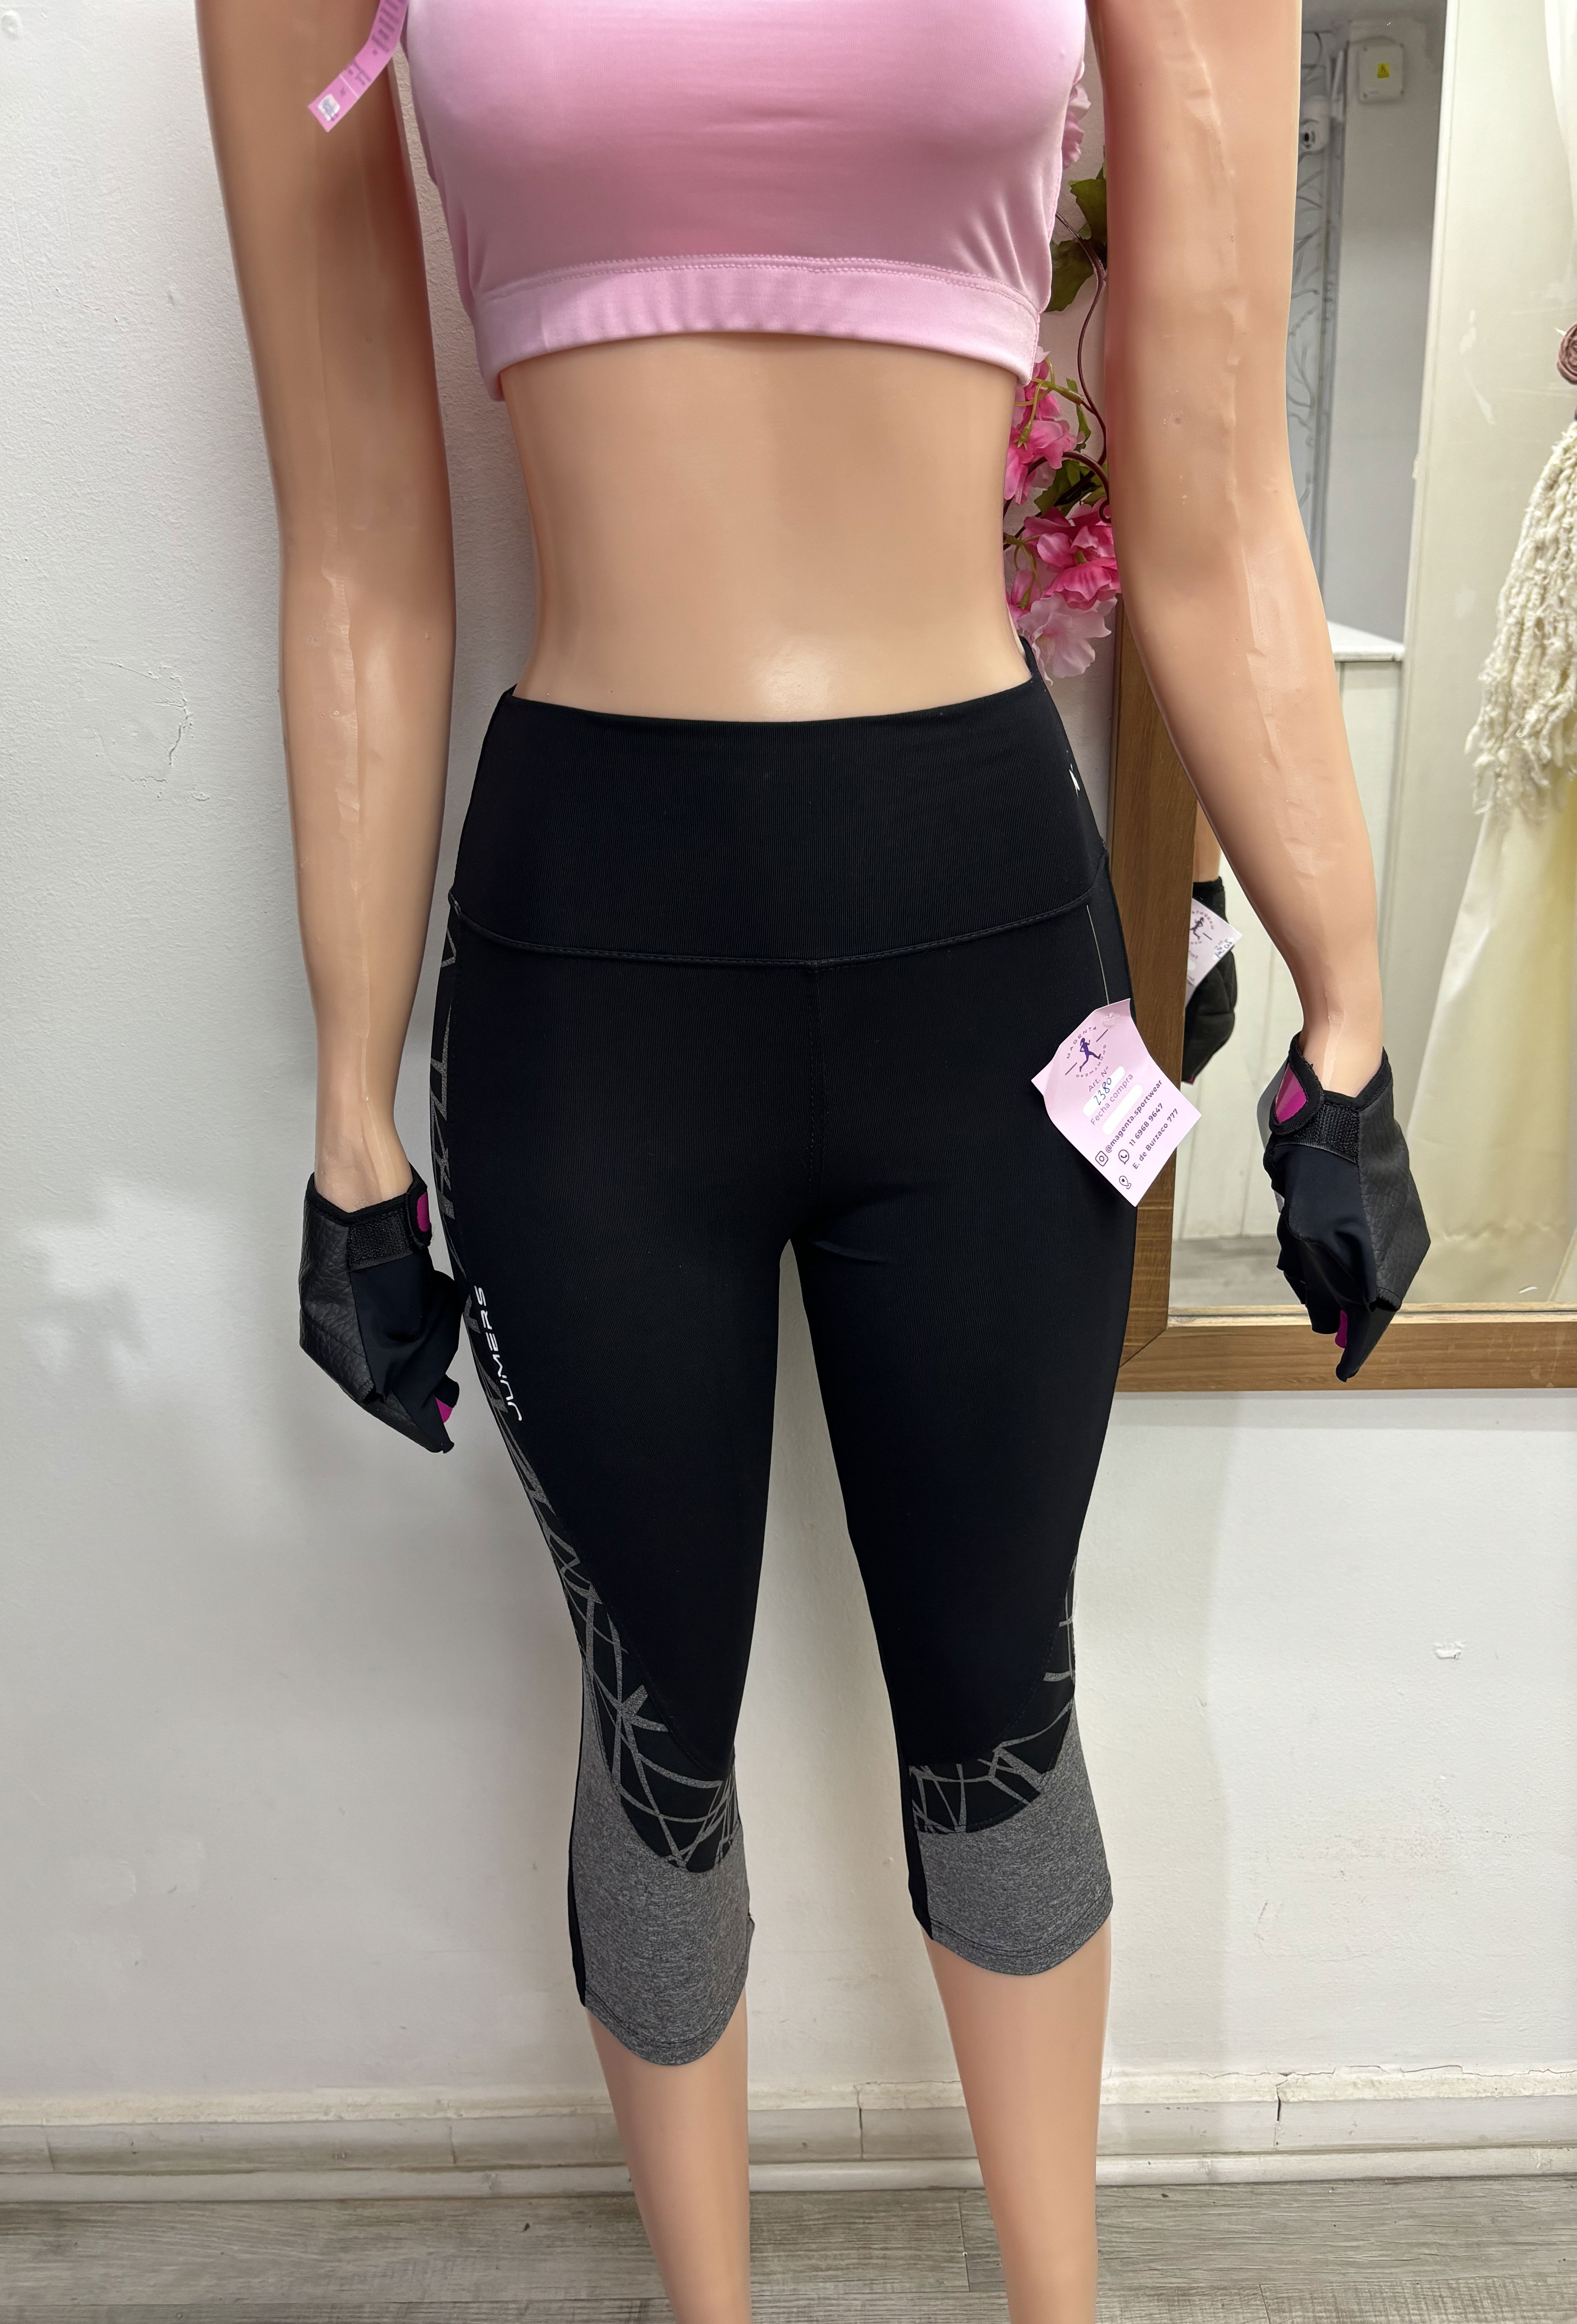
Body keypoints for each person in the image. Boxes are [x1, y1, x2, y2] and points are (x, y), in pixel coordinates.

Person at [197, 5, 1411, 2315]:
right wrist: (351, 1107)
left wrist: (1343, 1003)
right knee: (654, 1722)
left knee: (1003, 1693)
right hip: (593, 970)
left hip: (987, 953)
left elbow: (1217, 485)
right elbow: (357, 540)